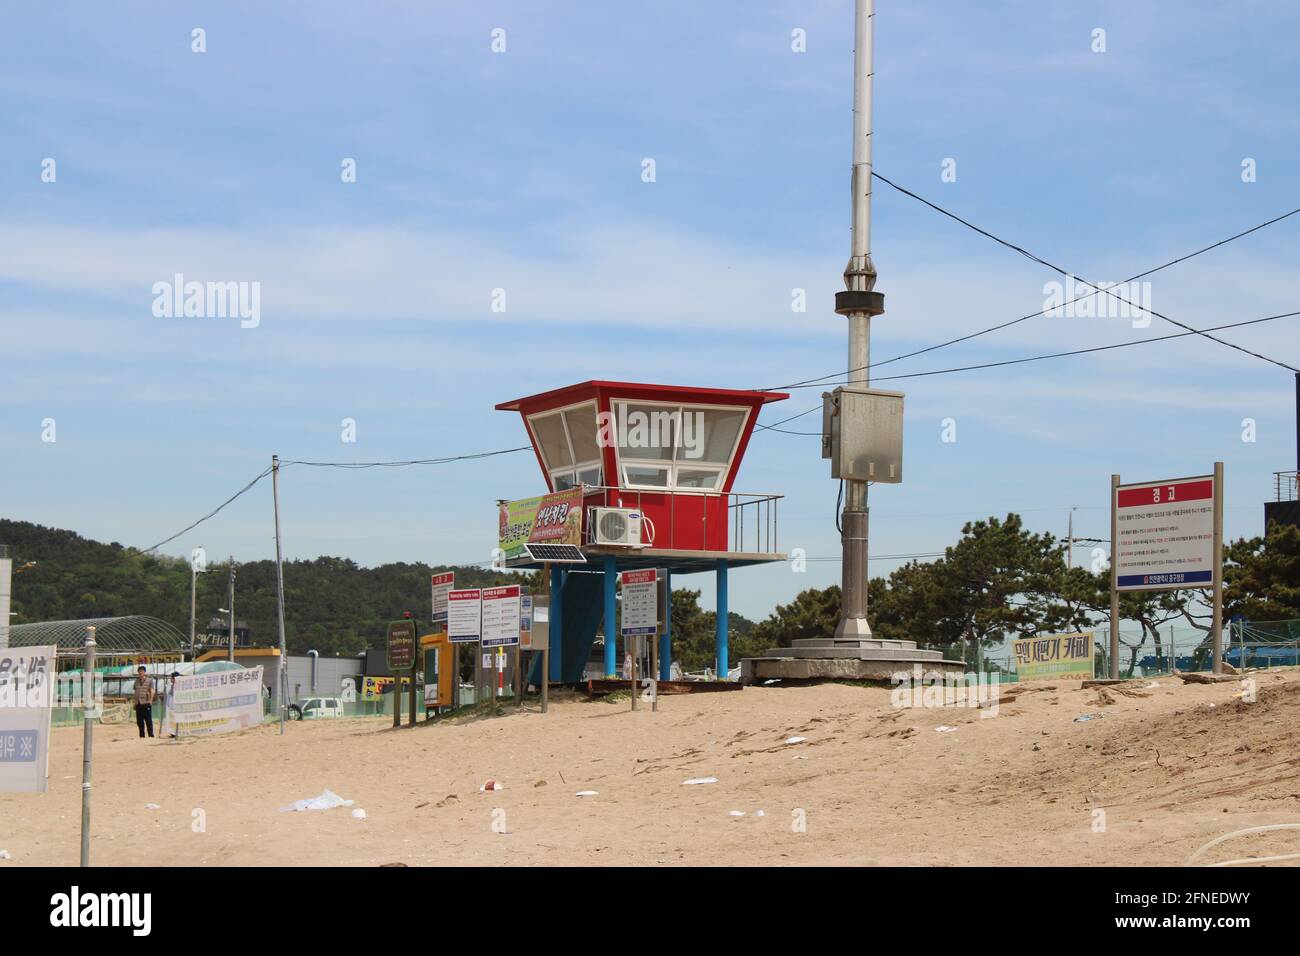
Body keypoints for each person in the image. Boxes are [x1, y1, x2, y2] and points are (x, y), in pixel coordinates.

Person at [133, 666, 156, 738]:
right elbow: (135, 691)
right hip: (138, 703)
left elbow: (152, 691)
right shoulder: (136, 681)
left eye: (142, 671)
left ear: (144, 672)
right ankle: (142, 735)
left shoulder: (149, 681)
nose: (140, 673)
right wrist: (134, 702)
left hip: (146, 703)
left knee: (148, 720)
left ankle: (151, 735)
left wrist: (151, 700)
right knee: (139, 721)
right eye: (139, 671)